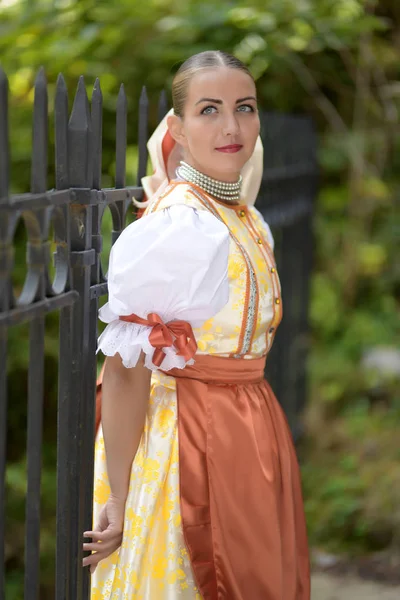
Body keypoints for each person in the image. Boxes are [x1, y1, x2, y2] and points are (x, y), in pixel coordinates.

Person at [83, 50, 310, 600]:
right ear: (178, 129)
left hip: (247, 428)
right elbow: (127, 368)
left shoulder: (241, 216)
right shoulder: (178, 225)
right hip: (186, 441)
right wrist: (118, 494)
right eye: (209, 110)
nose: (232, 127)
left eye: (244, 108)